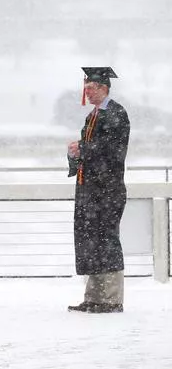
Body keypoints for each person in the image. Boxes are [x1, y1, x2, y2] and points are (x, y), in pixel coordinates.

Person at [67, 67, 130, 314]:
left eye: (91, 88)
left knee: (107, 240)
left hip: (108, 189)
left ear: (104, 88)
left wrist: (84, 149)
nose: (88, 93)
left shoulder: (116, 114)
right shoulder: (91, 116)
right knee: (91, 241)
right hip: (90, 190)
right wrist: (75, 153)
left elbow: (113, 151)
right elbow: (89, 151)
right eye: (86, 89)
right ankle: (94, 297)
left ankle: (112, 299)